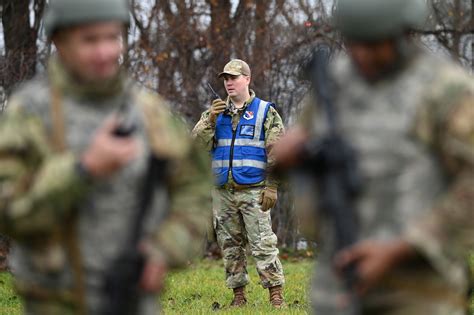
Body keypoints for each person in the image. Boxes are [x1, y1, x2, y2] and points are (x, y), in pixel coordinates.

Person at [0, 0, 212, 314]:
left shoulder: (149, 113)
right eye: (89, 40)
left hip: (134, 300)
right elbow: (9, 211)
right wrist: (83, 169)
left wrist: (165, 249)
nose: (105, 52)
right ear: (60, 41)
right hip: (54, 302)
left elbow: (195, 192)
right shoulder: (27, 113)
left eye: (112, 38)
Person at [274, 0, 474, 314]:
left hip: (419, 292)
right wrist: (286, 156)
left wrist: (403, 247)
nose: (363, 55)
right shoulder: (334, 82)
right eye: (355, 42)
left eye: (374, 44)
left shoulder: (445, 90)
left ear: (404, 33)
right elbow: (303, 155)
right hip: (337, 282)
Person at [192, 59, 286, 307]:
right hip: (223, 193)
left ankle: (276, 296)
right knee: (230, 247)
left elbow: (279, 152)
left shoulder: (265, 111)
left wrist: (273, 185)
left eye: (234, 77)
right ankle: (239, 297)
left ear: (247, 79)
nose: (229, 83)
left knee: (263, 244)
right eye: (225, 79)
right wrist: (209, 122)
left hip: (254, 191)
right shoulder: (215, 113)